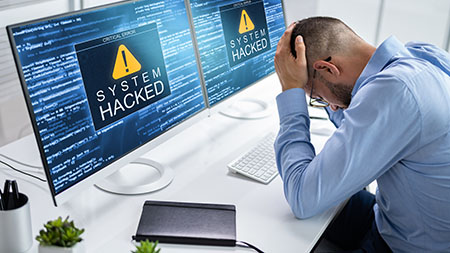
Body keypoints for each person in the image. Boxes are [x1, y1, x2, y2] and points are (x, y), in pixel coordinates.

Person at [273, 17, 450, 252]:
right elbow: (356, 115)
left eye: (317, 97)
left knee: (285, 226)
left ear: (327, 68)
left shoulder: (394, 91)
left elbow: (301, 198)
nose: (330, 107)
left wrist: (291, 91)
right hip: (391, 216)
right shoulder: (419, 54)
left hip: (404, 246)